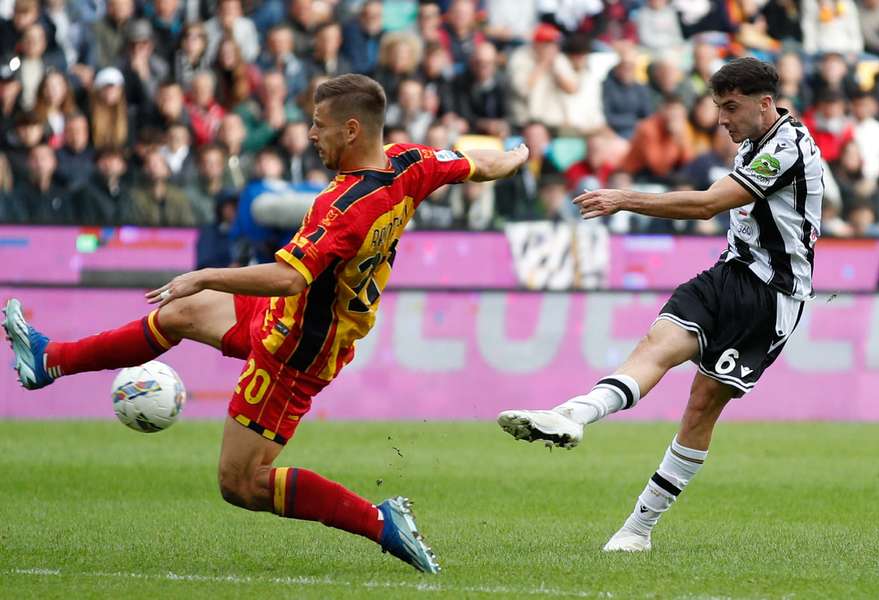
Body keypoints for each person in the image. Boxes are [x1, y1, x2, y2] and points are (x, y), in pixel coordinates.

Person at [3, 74, 528, 574]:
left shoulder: (342, 207)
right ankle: (50, 361)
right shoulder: (410, 161)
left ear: (351, 129)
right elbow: (474, 164)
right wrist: (515, 156)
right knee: (180, 314)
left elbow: (286, 278)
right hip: (283, 318)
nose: (311, 134)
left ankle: (380, 521)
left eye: (319, 123)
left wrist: (204, 275)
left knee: (241, 483)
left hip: (297, 349)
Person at [497, 57, 824, 552]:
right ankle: (575, 415)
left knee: (699, 408)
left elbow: (709, 204)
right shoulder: (754, 140)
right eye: (717, 107)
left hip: (770, 296)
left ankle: (639, 529)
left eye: (730, 107)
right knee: (657, 344)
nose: (721, 119)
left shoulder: (788, 147)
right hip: (729, 272)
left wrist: (626, 198)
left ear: (764, 103)